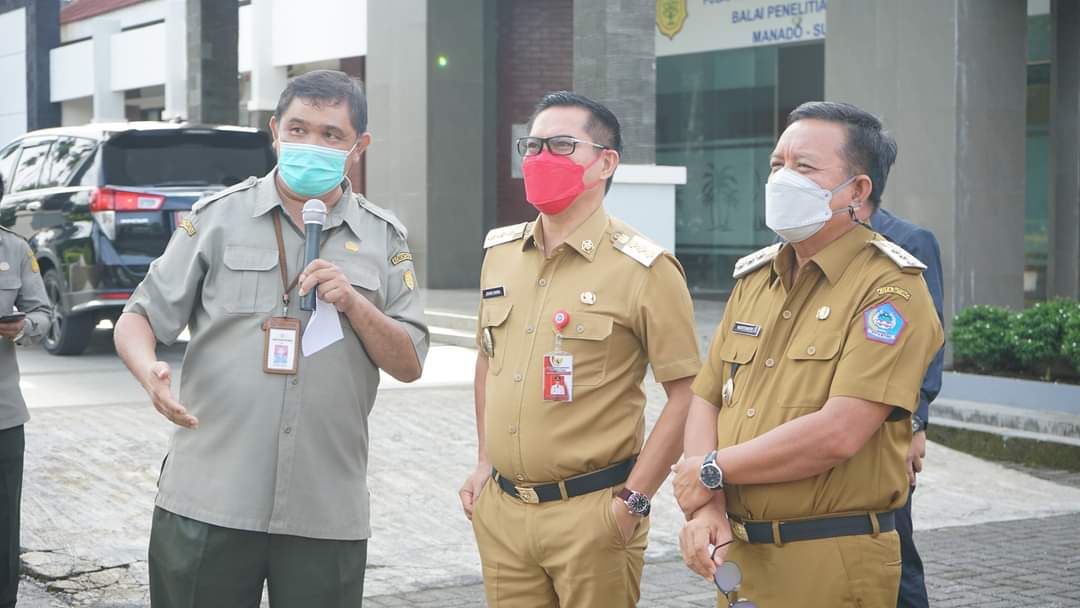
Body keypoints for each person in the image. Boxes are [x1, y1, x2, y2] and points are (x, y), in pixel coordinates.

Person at [113, 70, 429, 607]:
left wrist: (354, 303)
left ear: (359, 147)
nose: (311, 144)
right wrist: (150, 373)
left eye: (331, 135)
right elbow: (138, 317)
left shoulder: (383, 236)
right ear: (275, 131)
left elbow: (410, 361)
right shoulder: (217, 218)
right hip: (209, 499)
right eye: (298, 129)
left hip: (324, 508)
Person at [672, 101, 943, 607]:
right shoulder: (756, 279)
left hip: (829, 557)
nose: (782, 179)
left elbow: (839, 432)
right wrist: (707, 507)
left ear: (857, 191)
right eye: (777, 164)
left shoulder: (889, 290)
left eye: (804, 167)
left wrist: (710, 469)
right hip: (741, 554)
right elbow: (708, 397)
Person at [459, 91, 701, 607]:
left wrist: (634, 500)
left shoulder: (645, 269)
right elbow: (487, 358)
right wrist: (483, 463)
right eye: (533, 146)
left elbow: (689, 395)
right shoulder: (500, 254)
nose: (541, 158)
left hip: (593, 514)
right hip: (503, 513)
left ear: (605, 162)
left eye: (562, 145)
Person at [869, 207, 944, 608]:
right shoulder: (790, 243)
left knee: (896, 552)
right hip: (816, 426)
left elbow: (930, 341)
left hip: (889, 428)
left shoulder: (910, 241)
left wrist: (916, 424)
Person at [0, 173, 52, 608]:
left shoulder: (14, 249)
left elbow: (42, 314)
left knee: (3, 529)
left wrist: (21, 327)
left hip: (3, 416)